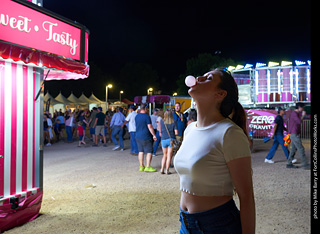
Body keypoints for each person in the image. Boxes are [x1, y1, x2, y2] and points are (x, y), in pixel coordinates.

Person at [174, 68, 255, 234]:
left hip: (218, 225)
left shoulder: (230, 133)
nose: (199, 77)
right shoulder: (189, 130)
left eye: (208, 78)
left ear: (220, 94)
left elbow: (246, 197)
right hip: (186, 223)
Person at [286, 103, 310, 169]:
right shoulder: (294, 114)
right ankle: (305, 164)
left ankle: (289, 163)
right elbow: (299, 122)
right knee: (301, 148)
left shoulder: (295, 114)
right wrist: (303, 116)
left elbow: (298, 122)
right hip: (293, 134)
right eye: (302, 108)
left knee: (293, 149)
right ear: (299, 107)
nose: (303, 109)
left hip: (294, 133)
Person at [135, 103, 157, 172]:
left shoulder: (136, 116)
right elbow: (150, 127)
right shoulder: (147, 116)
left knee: (140, 151)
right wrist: (154, 135)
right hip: (146, 136)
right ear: (145, 109)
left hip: (138, 135)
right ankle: (148, 166)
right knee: (149, 151)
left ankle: (141, 166)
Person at [159, 110, 178, 174]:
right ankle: (167, 170)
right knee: (169, 156)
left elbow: (160, 131)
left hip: (163, 139)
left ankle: (162, 169)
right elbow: (176, 132)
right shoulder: (174, 122)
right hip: (170, 140)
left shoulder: (162, 122)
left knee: (164, 155)